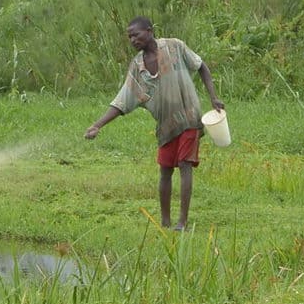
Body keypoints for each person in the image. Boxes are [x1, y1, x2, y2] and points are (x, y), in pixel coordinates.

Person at [84, 17, 222, 231]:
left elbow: (201, 66)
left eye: (136, 34)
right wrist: (97, 125)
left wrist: (213, 97)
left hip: (189, 117)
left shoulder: (175, 47)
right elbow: (123, 100)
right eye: (129, 36)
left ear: (149, 31)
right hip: (166, 126)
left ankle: (182, 222)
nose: (132, 40)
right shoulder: (138, 68)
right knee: (165, 170)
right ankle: (165, 222)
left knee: (185, 165)